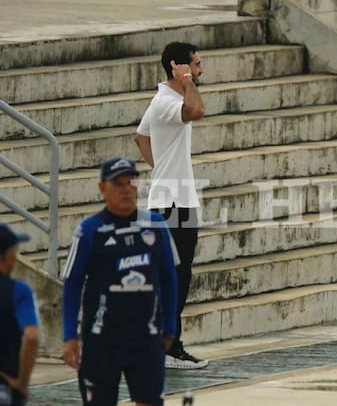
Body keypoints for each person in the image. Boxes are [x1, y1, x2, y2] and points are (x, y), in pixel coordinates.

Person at [61, 157, 178, 406]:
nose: (126, 189)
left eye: (131, 182)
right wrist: (69, 335)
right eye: (118, 184)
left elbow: (169, 277)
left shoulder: (156, 225)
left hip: (147, 339)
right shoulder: (88, 230)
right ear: (102, 188)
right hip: (101, 341)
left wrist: (170, 327)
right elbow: (72, 283)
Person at [134, 42, 208, 369]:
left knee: (178, 275)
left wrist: (160, 168)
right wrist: (187, 81)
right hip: (171, 204)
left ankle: (163, 345)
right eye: (196, 64)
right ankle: (168, 348)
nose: (201, 70)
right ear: (179, 67)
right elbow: (198, 111)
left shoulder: (164, 99)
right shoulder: (166, 102)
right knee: (175, 277)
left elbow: (140, 137)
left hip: (176, 199)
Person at [0, 225, 39, 406]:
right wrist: (22, 383)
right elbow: (32, 337)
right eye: (14, 252)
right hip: (7, 387)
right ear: (6, 256)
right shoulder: (19, 291)